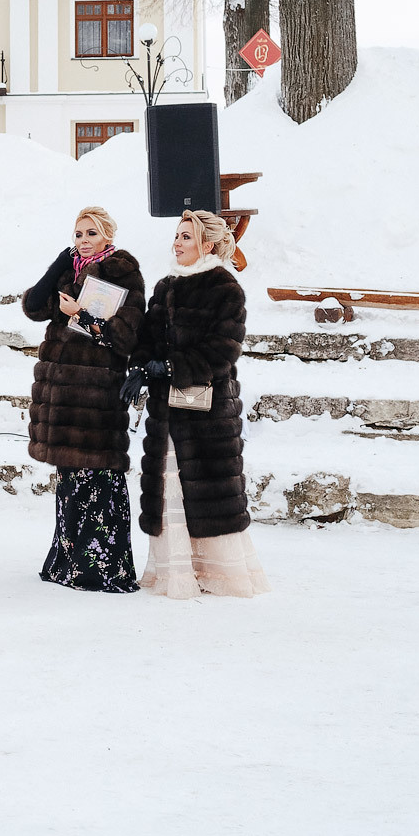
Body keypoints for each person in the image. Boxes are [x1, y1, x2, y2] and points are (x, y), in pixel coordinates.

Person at [125, 209, 269, 599]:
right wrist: (141, 367)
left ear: (207, 244)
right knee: (170, 486)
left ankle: (219, 574)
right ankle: (178, 572)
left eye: (186, 237)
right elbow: (148, 338)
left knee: (207, 491)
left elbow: (224, 350)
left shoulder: (226, 288)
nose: (177, 243)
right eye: (176, 235)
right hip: (167, 409)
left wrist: (171, 366)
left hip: (207, 412)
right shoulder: (166, 285)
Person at [21, 205, 146, 593]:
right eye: (78, 234)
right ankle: (68, 565)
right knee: (70, 479)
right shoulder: (70, 268)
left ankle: (103, 569)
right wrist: (60, 261)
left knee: (99, 477)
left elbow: (126, 336)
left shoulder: (123, 271)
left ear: (108, 235)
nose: (84, 241)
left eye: (91, 233)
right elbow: (32, 307)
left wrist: (80, 315)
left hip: (96, 391)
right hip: (63, 395)